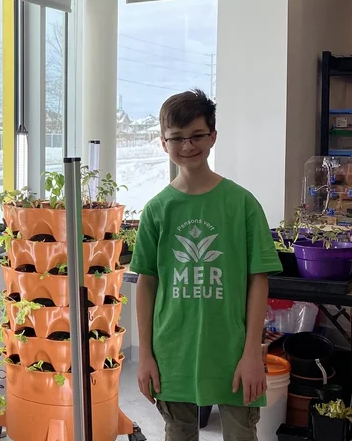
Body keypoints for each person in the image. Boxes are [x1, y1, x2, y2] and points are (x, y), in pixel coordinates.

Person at [130, 89, 281, 441]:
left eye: (197, 135)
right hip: (173, 352)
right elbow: (147, 283)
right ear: (163, 142)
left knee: (242, 434)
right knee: (178, 431)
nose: (187, 145)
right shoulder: (157, 210)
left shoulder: (242, 204)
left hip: (233, 350)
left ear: (213, 136)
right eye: (177, 138)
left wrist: (253, 354)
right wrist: (146, 356)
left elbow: (258, 281)